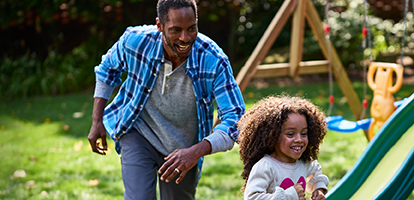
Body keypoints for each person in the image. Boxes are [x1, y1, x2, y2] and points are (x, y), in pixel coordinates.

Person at [87, 0, 245, 199]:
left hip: (184, 146)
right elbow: (107, 70)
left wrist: (195, 152)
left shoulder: (213, 60)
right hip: (139, 132)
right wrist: (96, 120)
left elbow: (235, 119)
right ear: (160, 26)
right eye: (176, 30)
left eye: (192, 28)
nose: (185, 38)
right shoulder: (135, 41)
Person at [238, 95, 329, 200]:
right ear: (273, 136)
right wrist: (289, 195)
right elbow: (252, 197)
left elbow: (316, 172)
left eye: (304, 133)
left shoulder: (303, 162)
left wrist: (319, 189)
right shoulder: (266, 166)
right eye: (291, 134)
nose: (299, 139)